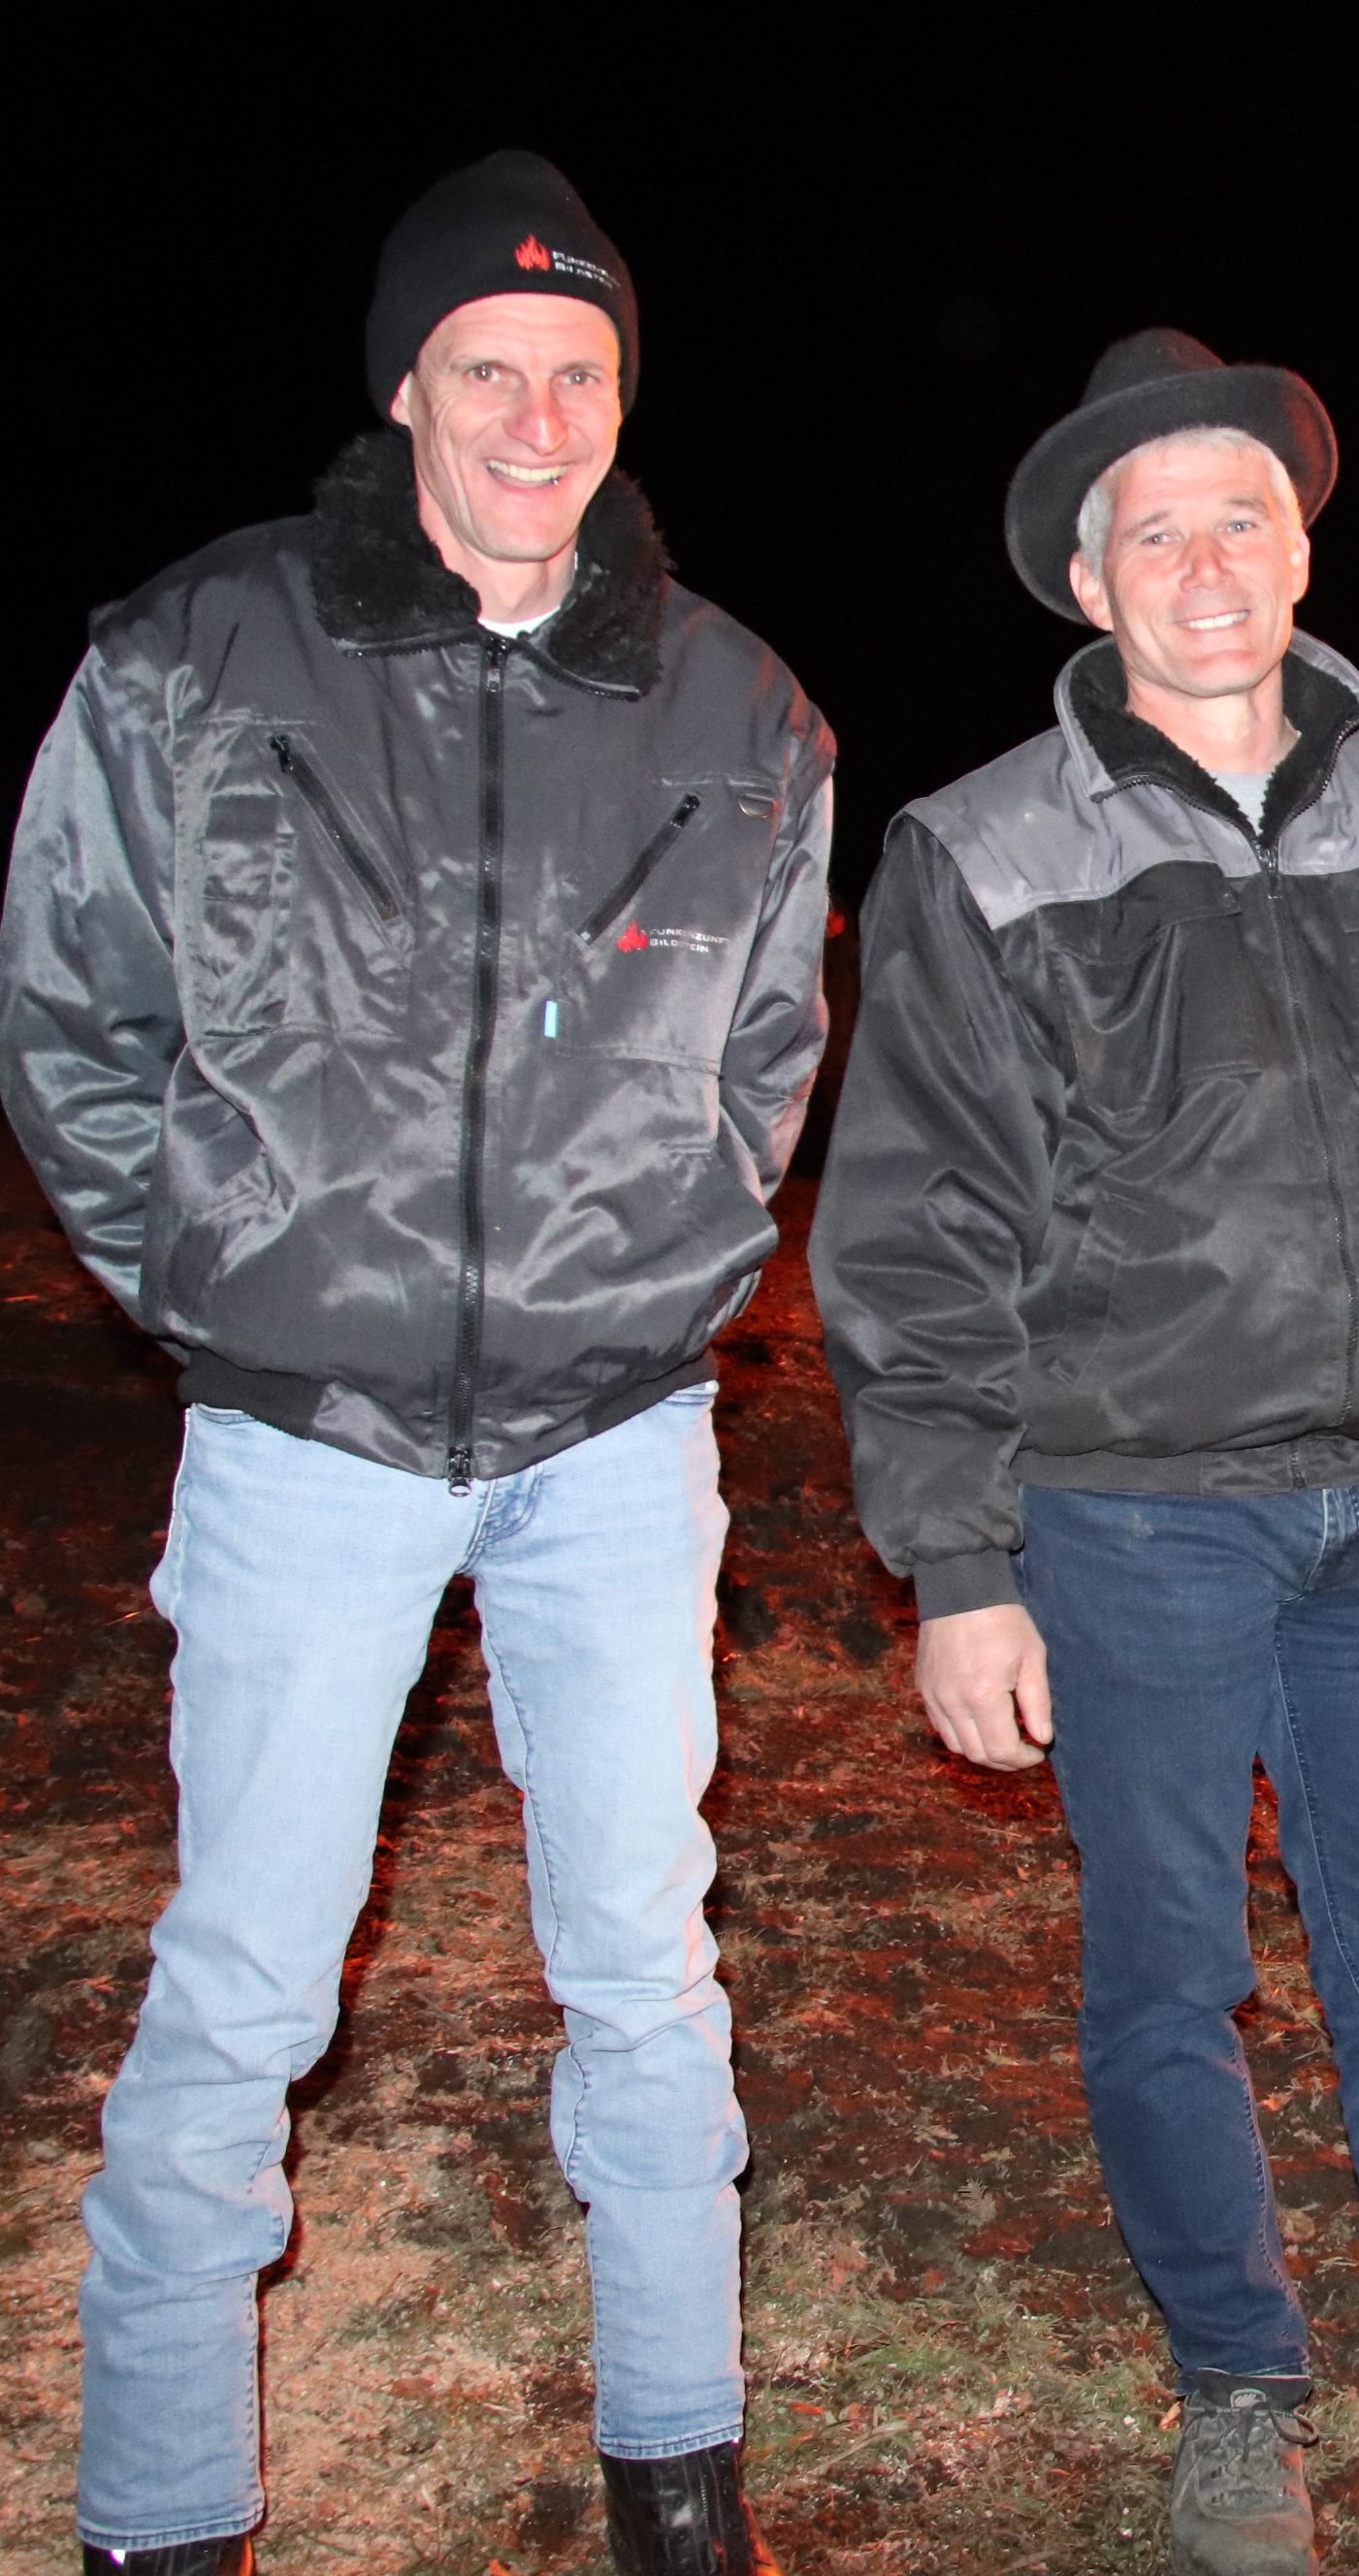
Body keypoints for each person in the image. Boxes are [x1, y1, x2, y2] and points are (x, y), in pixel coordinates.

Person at [809, 330, 1359, 2576]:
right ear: (1089, 582)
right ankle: (1235, 2394)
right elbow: (916, 1215)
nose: (1201, 565)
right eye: (1151, 531)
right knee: (1168, 1974)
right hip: (1124, 1518)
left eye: (1238, 516)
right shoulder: (987, 851)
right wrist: (958, 1557)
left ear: (1299, 546)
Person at [2, 154, 832, 2576]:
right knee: (243, 1979)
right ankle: (170, 2511)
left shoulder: (740, 700)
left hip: (612, 1431)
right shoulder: (196, 655)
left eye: (580, 373)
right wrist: (225, 1280)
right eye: (491, 365)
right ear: (405, 383)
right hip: (308, 1437)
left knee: (645, 1969)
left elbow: (770, 1039)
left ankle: (678, 2469)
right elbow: (71, 1003)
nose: (537, 415)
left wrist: (670, 1265)